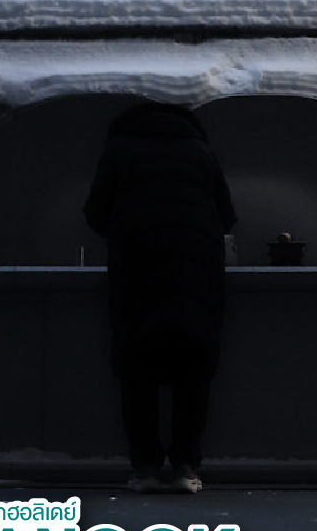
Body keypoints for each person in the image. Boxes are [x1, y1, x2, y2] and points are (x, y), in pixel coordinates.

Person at [83, 102, 237, 493]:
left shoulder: (119, 151)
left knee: (137, 365)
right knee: (193, 364)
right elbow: (226, 214)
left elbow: (95, 213)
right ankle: (186, 465)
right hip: (195, 270)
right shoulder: (201, 151)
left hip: (136, 268)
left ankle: (146, 467)